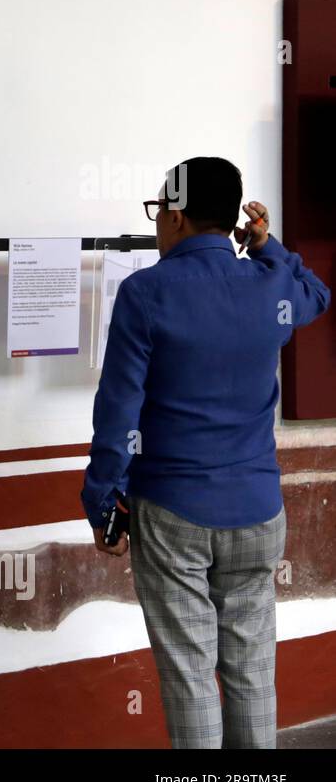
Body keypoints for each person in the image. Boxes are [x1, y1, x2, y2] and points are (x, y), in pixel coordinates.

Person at [82, 157, 330, 749]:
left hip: (173, 515)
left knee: (192, 676)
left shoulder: (146, 293)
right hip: (259, 512)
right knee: (251, 674)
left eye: (158, 212)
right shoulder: (270, 286)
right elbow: (316, 294)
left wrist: (102, 502)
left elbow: (118, 412)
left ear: (176, 216)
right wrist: (268, 248)